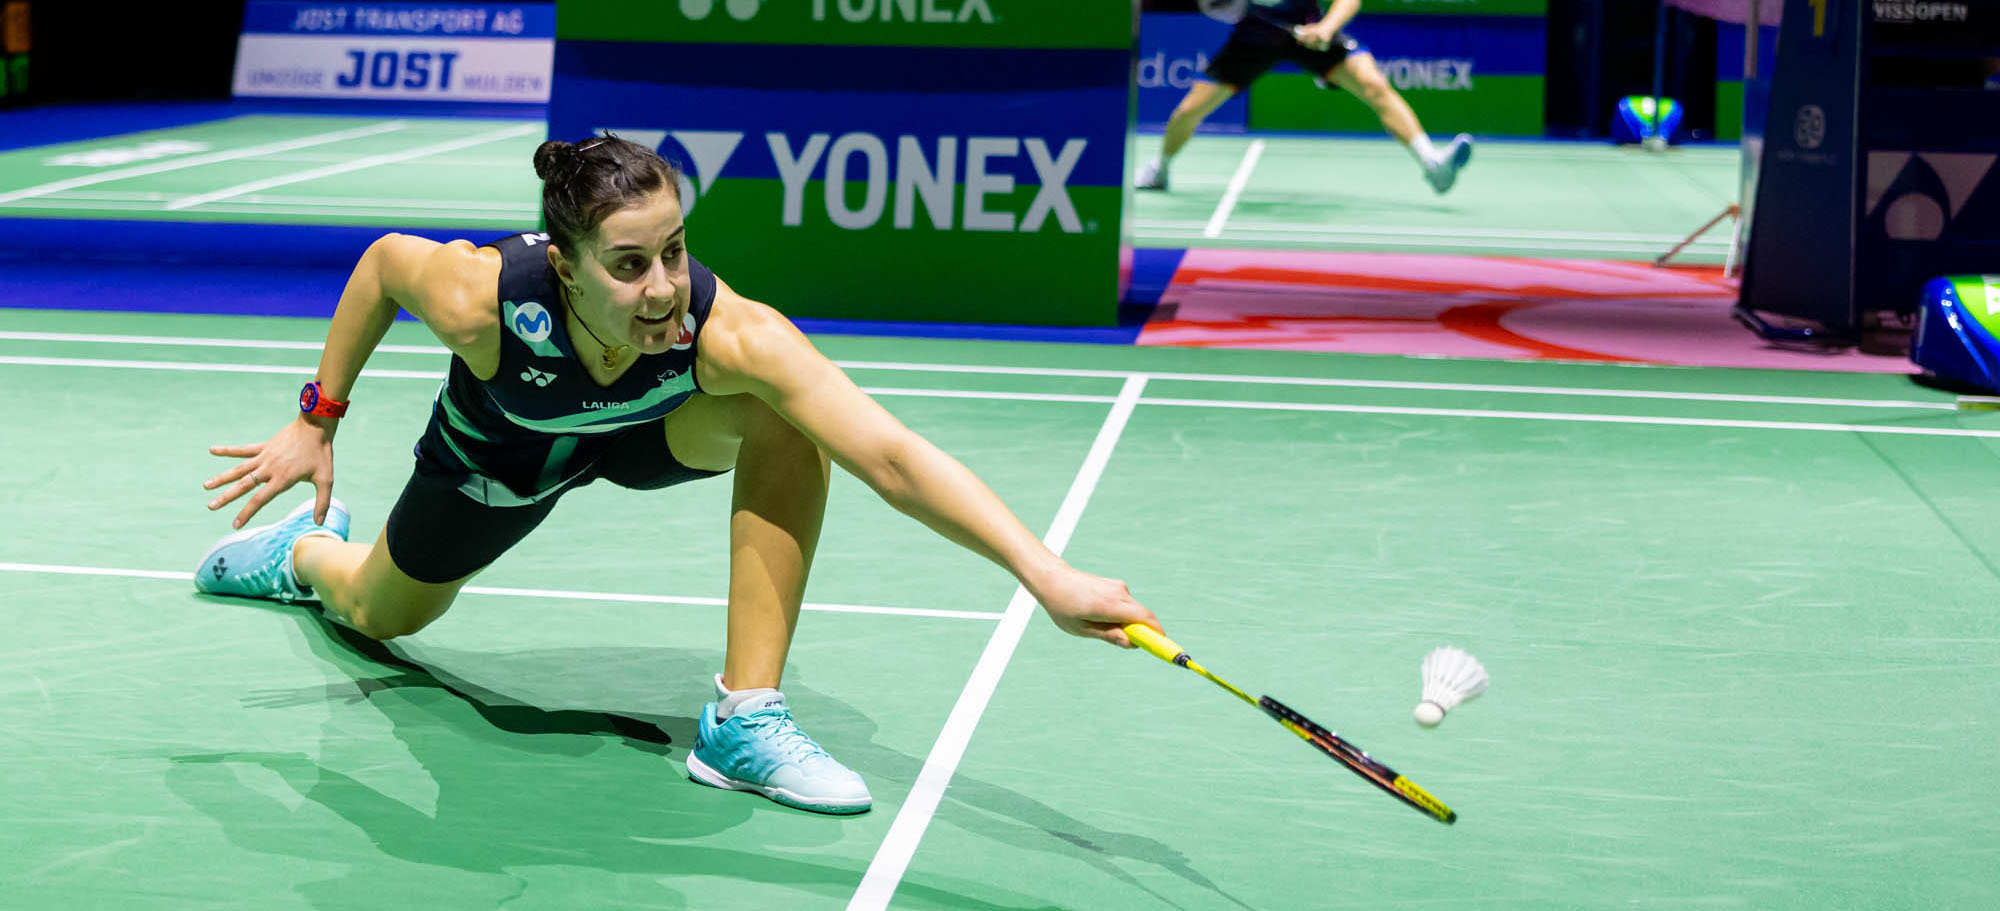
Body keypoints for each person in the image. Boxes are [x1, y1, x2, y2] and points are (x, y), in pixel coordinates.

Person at [194, 135, 1162, 816]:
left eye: (673, 250)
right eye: (627, 265)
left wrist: (1045, 574)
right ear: (565, 267)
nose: (662, 287)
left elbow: (890, 455)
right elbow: (380, 266)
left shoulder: (724, 328)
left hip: (642, 433)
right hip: (501, 457)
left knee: (787, 418)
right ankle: (304, 554)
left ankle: (744, 719)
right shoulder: (480, 301)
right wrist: (317, 417)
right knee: (382, 614)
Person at [1138, 0, 1473, 195]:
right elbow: (1215, 5)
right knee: (1188, 111)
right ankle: (1160, 170)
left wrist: (1326, 28)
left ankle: (1433, 165)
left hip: (1310, 32)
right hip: (1254, 40)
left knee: (1373, 84)